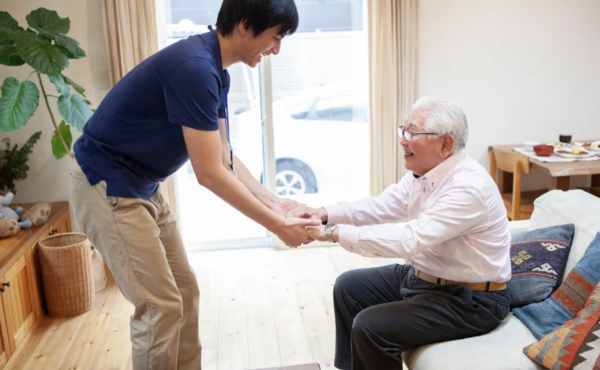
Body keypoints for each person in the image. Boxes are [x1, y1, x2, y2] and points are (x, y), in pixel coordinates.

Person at [70, 1, 318, 369]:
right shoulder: (195, 69)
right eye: (276, 37)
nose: (277, 49)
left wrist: (274, 202)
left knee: (184, 290)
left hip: (141, 184)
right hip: (108, 185)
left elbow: (224, 156)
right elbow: (209, 175)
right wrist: (276, 225)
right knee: (159, 307)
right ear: (247, 26)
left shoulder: (215, 71)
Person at [289, 97, 512, 370]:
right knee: (349, 286)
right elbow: (380, 207)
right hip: (425, 278)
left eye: (413, 133)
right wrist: (324, 213)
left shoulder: (468, 188)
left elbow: (409, 239)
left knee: (370, 326)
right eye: (403, 130)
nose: (403, 140)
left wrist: (332, 233)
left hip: (469, 300)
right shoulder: (425, 173)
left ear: (446, 143)